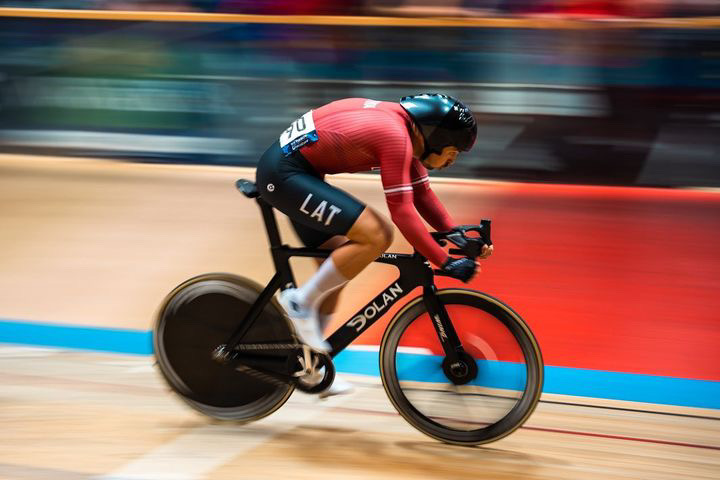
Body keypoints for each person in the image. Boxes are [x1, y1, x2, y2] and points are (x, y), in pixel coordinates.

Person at [255, 94, 492, 395]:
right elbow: (403, 211)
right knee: (377, 234)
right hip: (285, 175)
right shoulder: (395, 135)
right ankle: (299, 304)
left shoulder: (405, 131)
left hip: (297, 172)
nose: (452, 160)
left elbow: (422, 195)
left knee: (337, 267)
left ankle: (313, 364)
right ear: (436, 137)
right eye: (453, 151)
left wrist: (458, 236)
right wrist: (444, 261)